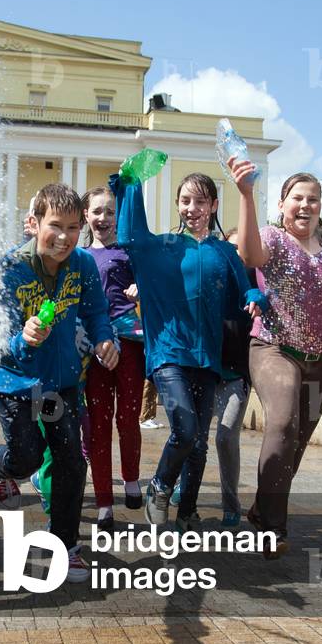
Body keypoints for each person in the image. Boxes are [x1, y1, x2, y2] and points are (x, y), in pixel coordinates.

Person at [113, 170, 267, 533]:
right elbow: (130, 237)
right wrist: (131, 186)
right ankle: (160, 486)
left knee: (197, 443)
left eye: (200, 201)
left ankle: (187, 513)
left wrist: (254, 297)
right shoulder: (164, 246)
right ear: (177, 205)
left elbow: (243, 287)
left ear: (213, 205)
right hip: (169, 353)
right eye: (185, 201)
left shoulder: (225, 252)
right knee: (184, 429)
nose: (192, 208)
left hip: (207, 358)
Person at [0, 182, 118, 583]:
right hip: (16, 382)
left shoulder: (82, 265)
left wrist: (104, 339)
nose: (64, 237)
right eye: (55, 226)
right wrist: (22, 339)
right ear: (34, 223)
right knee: (27, 458)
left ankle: (65, 545)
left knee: (71, 459)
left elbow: (96, 312)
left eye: (73, 227)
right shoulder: (10, 269)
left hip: (60, 383)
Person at [231, 162, 322, 559]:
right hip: (273, 348)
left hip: (321, 360)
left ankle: (261, 511)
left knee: (295, 444)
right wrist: (246, 194)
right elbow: (248, 254)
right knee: (283, 420)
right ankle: (274, 528)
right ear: (283, 204)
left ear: (320, 205)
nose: (305, 205)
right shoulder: (272, 237)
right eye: (297, 198)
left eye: (313, 199)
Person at [168, 228, 255, 529]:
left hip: (235, 377)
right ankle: (184, 487)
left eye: (241, 250)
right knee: (190, 434)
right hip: (204, 371)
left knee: (225, 436)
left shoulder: (251, 285)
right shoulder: (208, 281)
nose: (235, 256)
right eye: (230, 249)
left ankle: (231, 504)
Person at [80, 186, 146, 532]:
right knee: (98, 425)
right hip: (95, 349)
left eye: (110, 212)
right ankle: (104, 501)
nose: (103, 218)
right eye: (97, 211)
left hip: (130, 344)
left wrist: (141, 288)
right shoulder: (79, 257)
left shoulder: (128, 252)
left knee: (129, 417)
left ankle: (131, 479)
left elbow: (151, 283)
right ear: (86, 215)